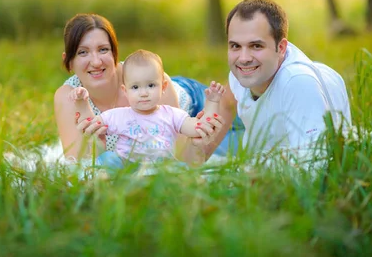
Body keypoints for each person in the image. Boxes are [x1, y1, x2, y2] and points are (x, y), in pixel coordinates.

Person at [54, 13, 243, 164]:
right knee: (243, 142)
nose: (96, 61)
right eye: (82, 52)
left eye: (103, 49)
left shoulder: (143, 87)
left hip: (191, 103)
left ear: (114, 53)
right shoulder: (69, 97)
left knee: (246, 114)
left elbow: (179, 155)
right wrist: (98, 144)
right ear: (68, 61)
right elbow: (78, 163)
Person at [208, 0, 352, 163]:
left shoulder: (299, 83)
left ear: (281, 48)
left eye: (256, 46)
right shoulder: (239, 75)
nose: (244, 58)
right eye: (235, 46)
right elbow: (225, 104)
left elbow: (316, 165)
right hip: (250, 143)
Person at [67, 49, 225, 169]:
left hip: (161, 167)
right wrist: (82, 102)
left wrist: (212, 103)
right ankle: (104, 183)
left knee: (183, 169)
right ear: (125, 91)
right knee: (108, 159)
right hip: (127, 166)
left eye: (151, 85)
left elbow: (198, 128)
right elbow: (91, 125)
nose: (143, 93)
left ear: (163, 87)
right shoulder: (119, 115)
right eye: (135, 87)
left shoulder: (171, 114)